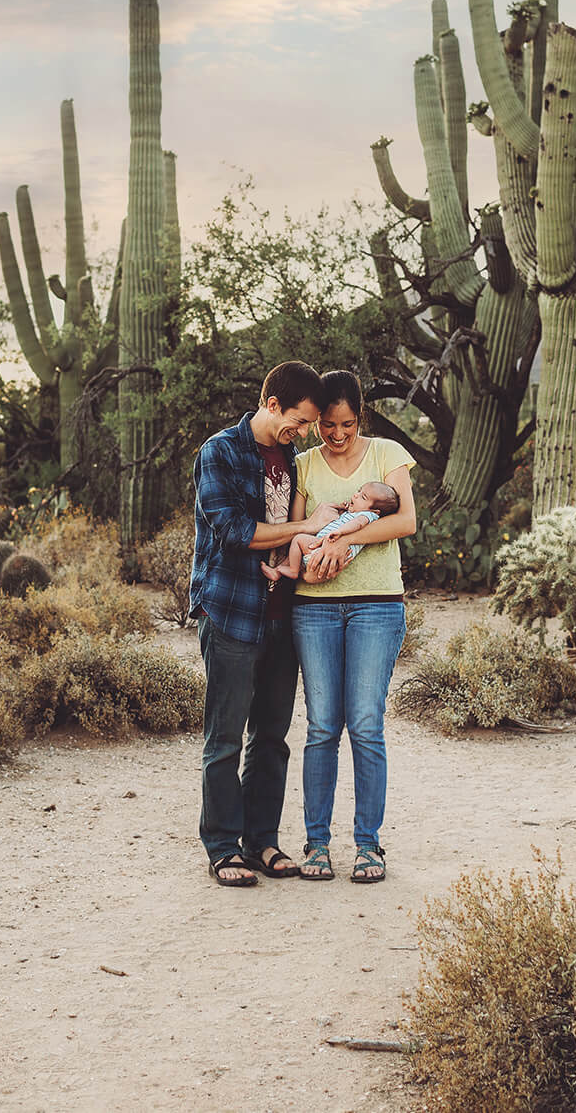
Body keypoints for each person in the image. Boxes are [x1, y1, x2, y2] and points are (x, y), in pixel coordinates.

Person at [190, 361, 332, 889]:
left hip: (282, 614)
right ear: (272, 405)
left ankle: (262, 841)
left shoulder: (292, 457)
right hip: (231, 610)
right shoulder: (220, 451)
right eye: (298, 421)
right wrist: (307, 525)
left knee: (272, 736)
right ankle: (223, 847)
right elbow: (232, 531)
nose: (302, 433)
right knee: (225, 738)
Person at [289, 369, 416, 885]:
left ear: (358, 417)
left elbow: (406, 520)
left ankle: (369, 846)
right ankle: (316, 844)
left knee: (365, 724)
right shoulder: (303, 465)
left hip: (377, 606)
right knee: (321, 728)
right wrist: (312, 549)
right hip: (314, 607)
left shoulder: (389, 454)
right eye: (326, 426)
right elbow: (297, 528)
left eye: (345, 424)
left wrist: (343, 543)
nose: (336, 435)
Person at [259, 481, 400, 581]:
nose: (356, 495)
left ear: (375, 511)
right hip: (324, 556)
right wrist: (346, 509)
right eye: (359, 491)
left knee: (298, 539)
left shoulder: (368, 516)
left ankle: (292, 570)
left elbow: (356, 524)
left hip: (324, 551)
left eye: (363, 497)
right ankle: (278, 571)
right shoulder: (357, 512)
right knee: (299, 549)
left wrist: (340, 532)